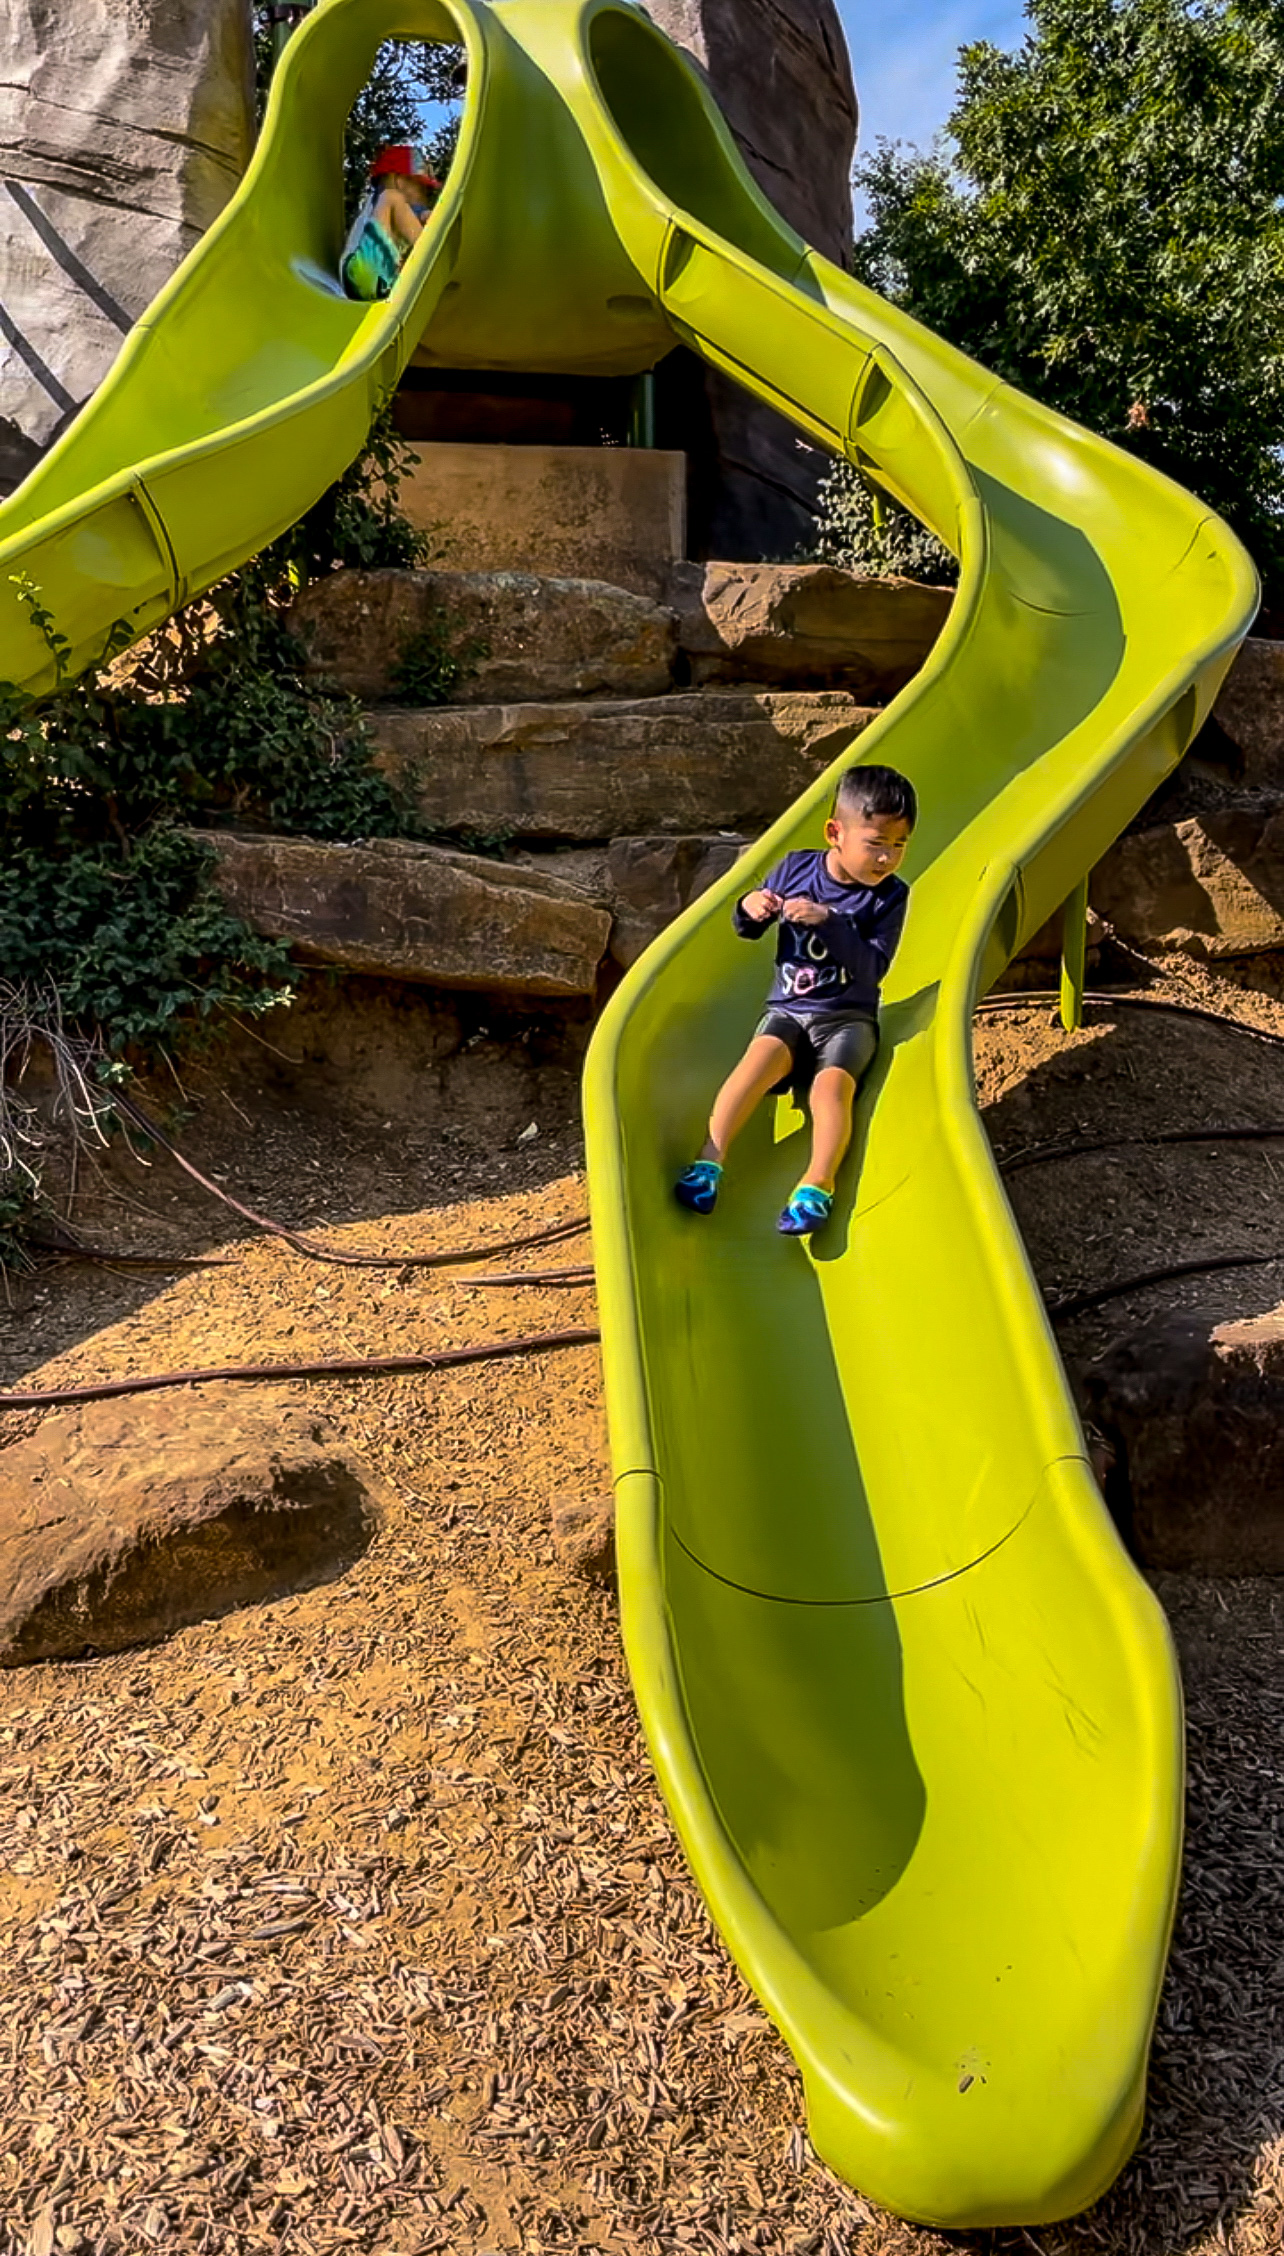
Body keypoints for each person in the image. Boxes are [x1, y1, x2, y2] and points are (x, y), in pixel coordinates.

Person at [674, 763, 916, 1237]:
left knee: (830, 1091)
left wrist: (830, 922)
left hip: (847, 1019)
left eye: (899, 845)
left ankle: (816, 1185)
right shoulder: (796, 869)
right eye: (876, 843)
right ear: (835, 833)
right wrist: (749, 908)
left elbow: (873, 969)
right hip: (788, 1011)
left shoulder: (889, 897)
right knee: (753, 1066)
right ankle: (708, 1163)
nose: (886, 857)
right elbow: (749, 927)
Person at [341, 144, 440, 303]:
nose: (424, 196)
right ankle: (434, 258)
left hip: (384, 280)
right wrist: (428, 217)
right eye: (421, 188)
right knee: (392, 197)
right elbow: (418, 213)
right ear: (398, 180)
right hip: (359, 270)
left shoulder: (401, 217)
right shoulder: (383, 199)